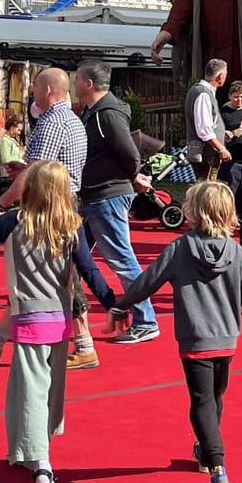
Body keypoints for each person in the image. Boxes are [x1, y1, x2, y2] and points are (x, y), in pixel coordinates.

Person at [0, 159, 123, 483]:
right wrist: (114, 302)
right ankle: (24, 450)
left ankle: (41, 464)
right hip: (59, 322)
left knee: (31, 392)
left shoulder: (14, 222)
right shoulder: (71, 226)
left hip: (28, 319)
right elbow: (90, 272)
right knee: (39, 389)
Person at [110, 180, 242, 483]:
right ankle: (208, 448)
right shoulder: (236, 251)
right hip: (227, 339)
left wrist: (121, 304)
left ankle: (217, 471)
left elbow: (148, 280)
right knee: (215, 397)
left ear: (194, 212)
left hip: (196, 339)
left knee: (202, 402)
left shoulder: (181, 248)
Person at [0, 67, 100, 367]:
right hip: (65, 200)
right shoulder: (73, 120)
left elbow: (34, 173)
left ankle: (85, 344)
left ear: (49, 90)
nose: (31, 92)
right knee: (41, 274)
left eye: (36, 86)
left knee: (59, 276)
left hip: (51, 203)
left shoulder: (53, 122)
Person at [73, 61, 160, 346]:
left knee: (122, 259)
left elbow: (129, 152)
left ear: (88, 84)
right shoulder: (94, 112)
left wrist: (132, 175)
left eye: (77, 80)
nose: (74, 85)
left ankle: (146, 320)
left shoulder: (106, 113)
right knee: (74, 257)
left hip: (106, 195)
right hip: (96, 196)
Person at [220, 81, 242, 243]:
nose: (239, 101)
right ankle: (224, 230)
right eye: (236, 98)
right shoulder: (224, 112)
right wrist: (226, 133)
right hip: (231, 162)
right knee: (228, 198)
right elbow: (216, 129)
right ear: (230, 97)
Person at [185, 60, 231, 182]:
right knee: (206, 190)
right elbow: (204, 131)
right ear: (220, 75)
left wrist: (221, 133)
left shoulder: (203, 92)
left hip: (207, 153)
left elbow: (208, 125)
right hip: (207, 154)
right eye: (226, 73)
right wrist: (222, 148)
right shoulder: (203, 94)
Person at [0, 109, 27, 201]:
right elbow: (6, 159)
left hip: (17, 168)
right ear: (12, 127)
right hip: (9, 170)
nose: (19, 133)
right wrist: (22, 162)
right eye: (18, 130)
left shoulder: (12, 140)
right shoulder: (5, 140)